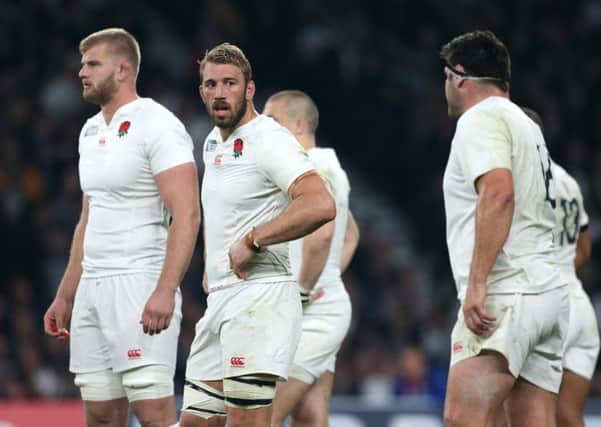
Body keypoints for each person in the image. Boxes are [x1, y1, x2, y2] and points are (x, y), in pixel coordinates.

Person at [42, 28, 200, 427]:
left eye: (93, 64)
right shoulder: (89, 131)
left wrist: (165, 290)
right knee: (99, 416)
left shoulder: (159, 125)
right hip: (93, 289)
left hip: (139, 282)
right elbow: (88, 217)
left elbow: (188, 214)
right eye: (82, 64)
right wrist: (65, 295)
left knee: (153, 413)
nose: (82, 72)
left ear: (123, 69)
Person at [179, 44, 336, 427]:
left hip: (259, 300)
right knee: (196, 423)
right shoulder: (213, 143)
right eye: (211, 84)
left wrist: (254, 240)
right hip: (221, 299)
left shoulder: (268, 137)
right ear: (201, 91)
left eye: (230, 83)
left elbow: (319, 203)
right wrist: (214, 264)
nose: (219, 93)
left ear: (249, 90)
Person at [440, 30, 569, 427]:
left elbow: (498, 194)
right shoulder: (528, 127)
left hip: (508, 290)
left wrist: (478, 282)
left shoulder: (480, 118)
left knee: (464, 417)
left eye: (445, 77)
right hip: (548, 292)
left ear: (459, 76)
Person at [262, 90, 360, 427]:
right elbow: (351, 234)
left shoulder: (313, 167)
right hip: (321, 303)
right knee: (310, 417)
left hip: (312, 313)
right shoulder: (326, 167)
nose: (265, 128)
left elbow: (323, 236)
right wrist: (329, 275)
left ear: (300, 124)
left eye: (273, 120)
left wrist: (303, 291)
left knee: (266, 415)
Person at [521, 108, 600, 427]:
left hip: (548, 306)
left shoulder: (523, 179)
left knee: (526, 414)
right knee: (569, 416)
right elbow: (584, 248)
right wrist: (561, 267)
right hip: (580, 308)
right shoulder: (569, 180)